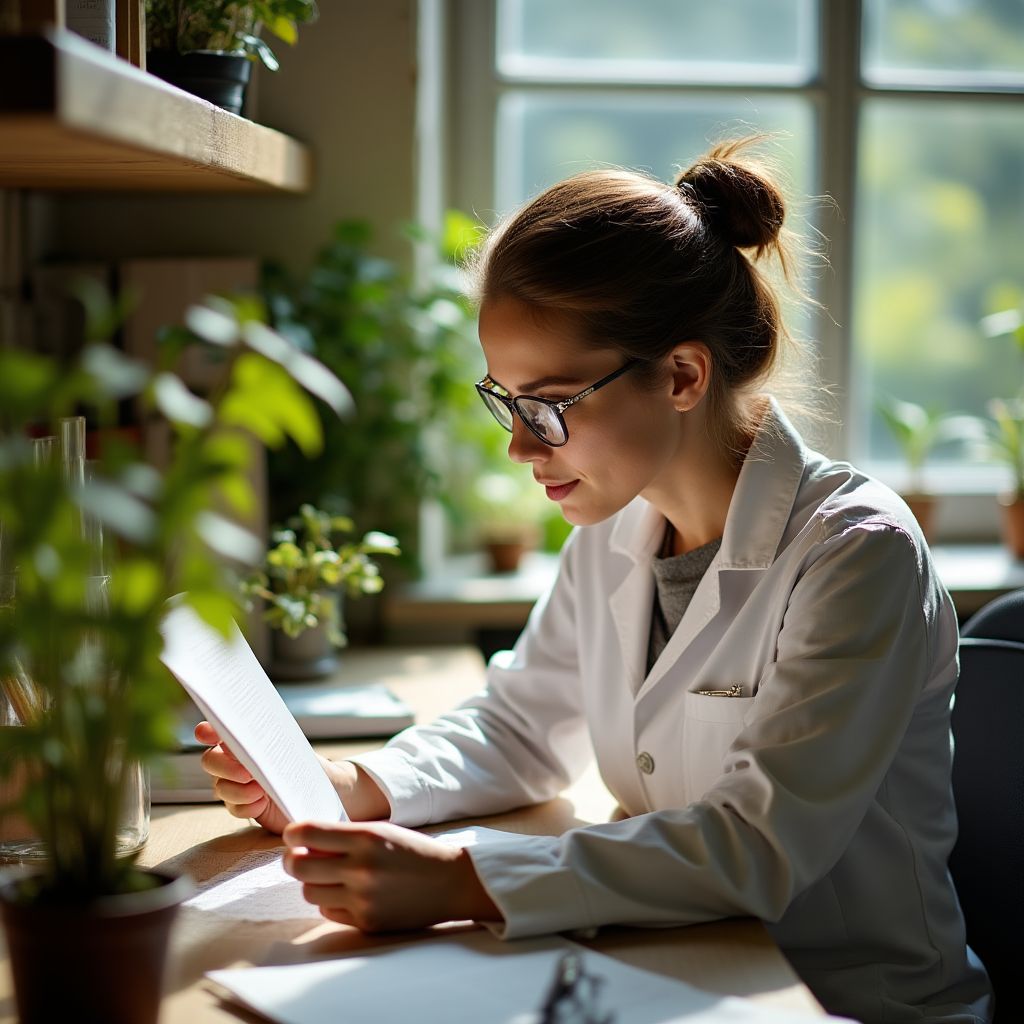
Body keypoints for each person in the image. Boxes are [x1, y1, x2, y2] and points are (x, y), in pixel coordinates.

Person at [197, 139, 992, 1024]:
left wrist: (463, 880)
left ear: (683, 375)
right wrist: (352, 788)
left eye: (550, 406)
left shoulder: (858, 554)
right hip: (681, 970)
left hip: (843, 1000)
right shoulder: (616, 518)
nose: (520, 447)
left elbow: (757, 846)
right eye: (506, 401)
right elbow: (523, 727)